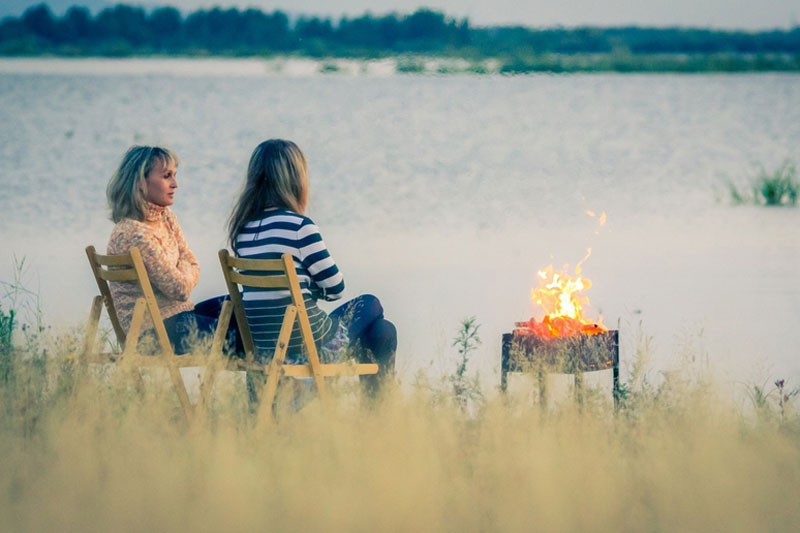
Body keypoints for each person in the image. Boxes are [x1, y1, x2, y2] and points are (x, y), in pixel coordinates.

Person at [227, 139, 397, 392]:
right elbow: (335, 288)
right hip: (309, 340)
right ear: (296, 179)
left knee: (382, 330)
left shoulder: (243, 230)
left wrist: (299, 285)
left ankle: (362, 411)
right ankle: (356, 403)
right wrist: (309, 287)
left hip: (264, 342)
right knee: (370, 304)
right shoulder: (300, 227)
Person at [106, 145, 224, 354]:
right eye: (166, 176)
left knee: (245, 306)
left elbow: (193, 262)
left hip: (178, 316)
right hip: (152, 332)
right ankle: (278, 384)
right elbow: (179, 289)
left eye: (174, 176)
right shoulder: (133, 234)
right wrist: (183, 270)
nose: (175, 184)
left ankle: (280, 384)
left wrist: (181, 270)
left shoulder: (166, 217)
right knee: (242, 333)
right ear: (141, 182)